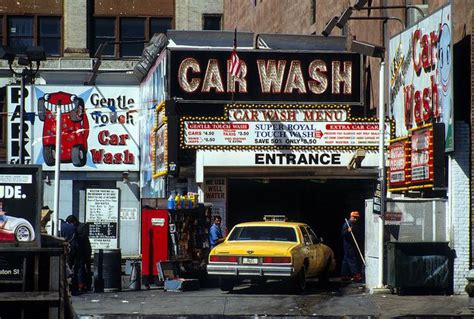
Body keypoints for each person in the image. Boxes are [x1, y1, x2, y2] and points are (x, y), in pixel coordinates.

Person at [66, 215, 92, 294]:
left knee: (84, 268)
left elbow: (82, 238)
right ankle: (78, 284)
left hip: (84, 251)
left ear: (74, 222)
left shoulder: (82, 226)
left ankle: (85, 285)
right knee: (80, 268)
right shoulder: (77, 227)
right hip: (77, 250)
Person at [341, 210, 363, 282]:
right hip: (349, 245)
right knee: (352, 259)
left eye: (357, 217)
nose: (356, 219)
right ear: (351, 217)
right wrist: (348, 231)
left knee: (346, 260)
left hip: (354, 244)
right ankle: (356, 275)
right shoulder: (347, 224)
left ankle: (345, 275)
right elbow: (343, 234)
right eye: (354, 217)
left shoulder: (356, 224)